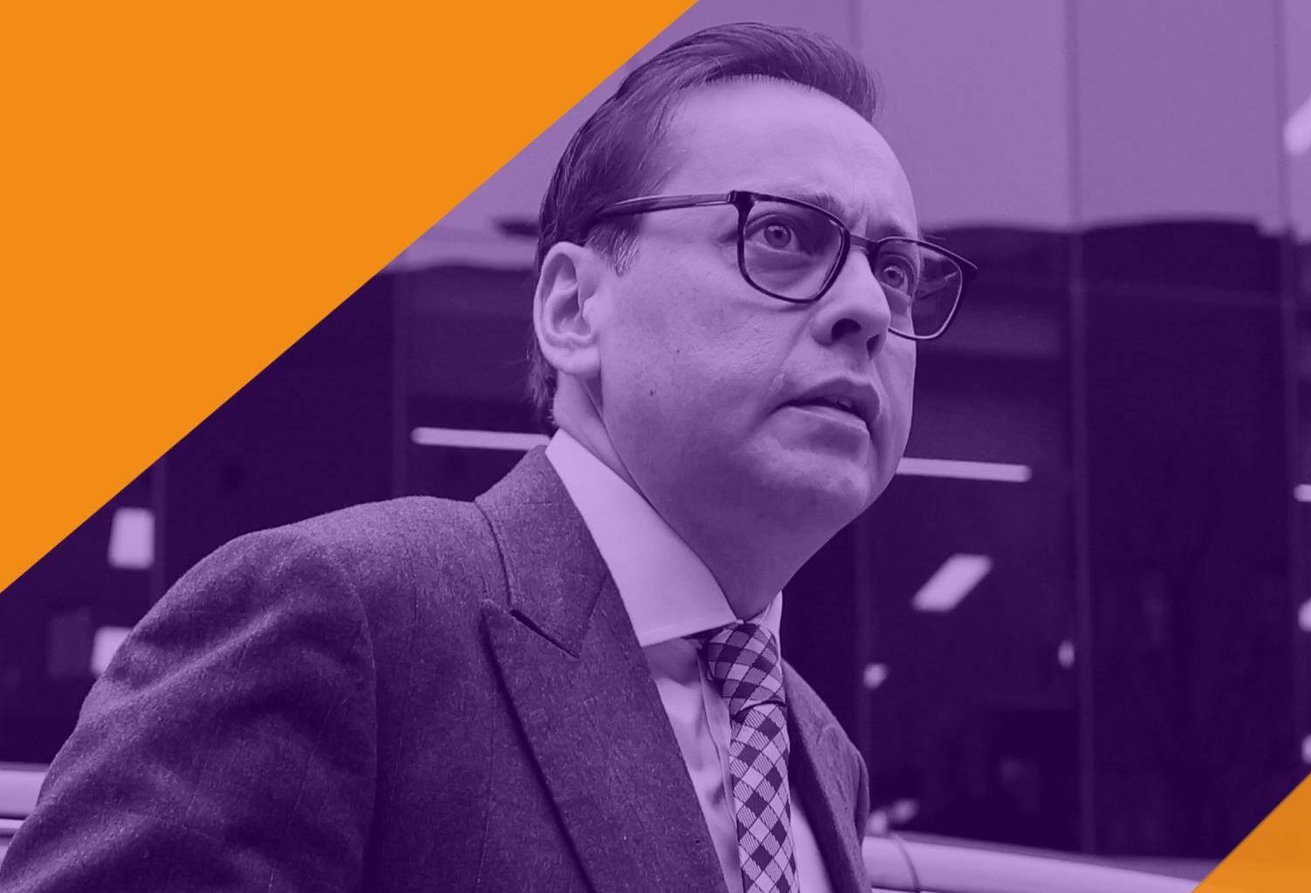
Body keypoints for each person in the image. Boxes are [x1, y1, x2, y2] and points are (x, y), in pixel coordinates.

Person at [0, 21, 974, 893]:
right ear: (573, 308)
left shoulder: (818, 749)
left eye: (895, 269)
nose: (867, 307)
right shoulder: (344, 613)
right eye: (782, 234)